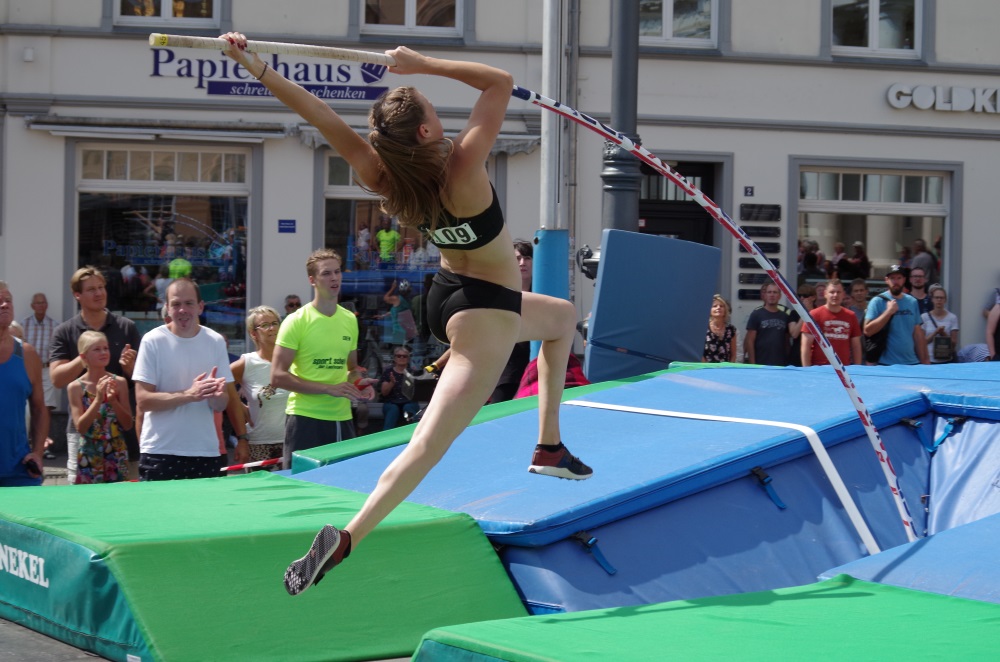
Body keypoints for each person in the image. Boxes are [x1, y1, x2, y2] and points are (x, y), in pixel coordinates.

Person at [221, 33, 588, 595]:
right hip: (484, 312)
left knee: (560, 318)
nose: (443, 118)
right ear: (423, 131)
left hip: (445, 296)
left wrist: (258, 69)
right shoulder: (462, 165)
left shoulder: (384, 176)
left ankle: (549, 445)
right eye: (435, 113)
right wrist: (424, 64)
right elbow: (499, 82)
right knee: (427, 445)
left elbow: (319, 117)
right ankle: (348, 537)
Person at [271, 248, 377, 469]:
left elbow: (351, 369)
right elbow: (277, 376)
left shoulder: (349, 319)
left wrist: (359, 384)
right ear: (312, 280)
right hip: (305, 418)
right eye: (326, 273)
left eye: (337, 272)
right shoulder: (296, 321)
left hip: (341, 418)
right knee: (301, 490)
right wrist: (327, 388)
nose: (334, 278)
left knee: (342, 487)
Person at [132, 278, 233, 480]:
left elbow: (222, 404)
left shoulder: (215, 341)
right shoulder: (153, 341)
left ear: (200, 307)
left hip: (205, 451)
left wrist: (216, 395)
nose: (182, 310)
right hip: (160, 451)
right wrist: (189, 395)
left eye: (189, 303)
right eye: (176, 304)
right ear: (167, 308)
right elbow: (143, 400)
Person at [50, 266, 141, 483]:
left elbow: (140, 378)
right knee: (83, 496)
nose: (99, 293)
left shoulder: (126, 327)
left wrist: (129, 368)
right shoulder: (65, 331)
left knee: (126, 496)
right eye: (91, 289)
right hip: (82, 433)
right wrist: (85, 355)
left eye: (101, 287)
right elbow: (57, 379)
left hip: (121, 431)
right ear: (77, 295)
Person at [226, 306, 290, 470]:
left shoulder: (294, 360)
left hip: (292, 442)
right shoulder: (247, 363)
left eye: (275, 323)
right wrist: (240, 407)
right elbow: (222, 385)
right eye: (265, 325)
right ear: (253, 333)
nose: (272, 328)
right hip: (258, 444)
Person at [66, 331, 133, 483]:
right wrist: (97, 400)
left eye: (106, 348)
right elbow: (81, 427)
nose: (104, 352)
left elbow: (128, 424)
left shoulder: (119, 382)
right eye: (97, 349)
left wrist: (113, 401)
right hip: (89, 451)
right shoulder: (75, 387)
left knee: (117, 499)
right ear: (84, 357)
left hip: (116, 450)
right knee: (89, 500)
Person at [0, 281, 48, 487]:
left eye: (8, 300)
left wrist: (37, 452)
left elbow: (39, 409)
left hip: (19, 471)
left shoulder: (27, 354)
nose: (5, 305)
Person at [863, 265, 929, 366]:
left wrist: (925, 361)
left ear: (904, 280)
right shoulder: (877, 301)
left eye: (899, 278)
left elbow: (917, 334)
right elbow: (867, 331)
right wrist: (888, 312)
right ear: (886, 280)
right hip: (886, 364)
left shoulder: (912, 302)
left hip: (911, 363)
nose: (895, 281)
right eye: (892, 278)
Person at [801, 279, 862, 367]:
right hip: (819, 370)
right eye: (832, 292)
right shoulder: (814, 315)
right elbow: (806, 346)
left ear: (843, 294)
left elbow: (856, 346)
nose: (835, 295)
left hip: (844, 370)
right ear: (825, 293)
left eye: (838, 292)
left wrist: (857, 369)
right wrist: (807, 370)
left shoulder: (851, 316)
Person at [22, 292, 59, 413]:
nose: (41, 305)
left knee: (46, 405)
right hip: (28, 369)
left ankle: (44, 432)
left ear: (47, 305)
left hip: (46, 369)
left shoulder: (55, 326)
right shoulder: (23, 325)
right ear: (32, 306)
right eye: (38, 303)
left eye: (43, 303)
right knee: (28, 403)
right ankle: (29, 432)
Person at [744, 282, 792, 366]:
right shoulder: (756, 314)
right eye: (769, 292)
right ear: (765, 295)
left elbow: (787, 342)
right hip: (761, 363)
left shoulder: (785, 316)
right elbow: (749, 341)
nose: (772, 295)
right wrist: (752, 364)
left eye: (775, 292)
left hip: (780, 364)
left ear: (779, 296)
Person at [378, 346, 421, 429]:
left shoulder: (413, 372)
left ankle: (414, 433)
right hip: (391, 402)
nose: (401, 358)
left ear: (408, 359)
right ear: (394, 358)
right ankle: (387, 436)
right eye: (398, 356)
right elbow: (384, 393)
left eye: (404, 356)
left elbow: (419, 393)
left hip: (409, 402)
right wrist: (391, 383)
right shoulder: (388, 372)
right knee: (393, 409)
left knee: (408, 407)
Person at [920, 285, 958, 364]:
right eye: (936, 297)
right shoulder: (924, 317)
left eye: (941, 298)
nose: (939, 300)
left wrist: (943, 334)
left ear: (945, 300)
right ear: (932, 299)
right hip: (929, 359)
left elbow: (954, 343)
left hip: (946, 360)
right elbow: (922, 342)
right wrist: (935, 333)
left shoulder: (952, 317)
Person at [787, 283, 819, 367]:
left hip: (815, 355)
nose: (801, 298)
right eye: (799, 296)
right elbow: (794, 334)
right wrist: (804, 313)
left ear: (813, 297)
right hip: (797, 356)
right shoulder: (794, 313)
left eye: (805, 295)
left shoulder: (819, 313)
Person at [702, 294, 737, 363]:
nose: (718, 308)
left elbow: (733, 354)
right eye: (715, 306)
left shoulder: (731, 329)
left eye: (721, 306)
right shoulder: (703, 328)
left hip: (725, 369)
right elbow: (700, 354)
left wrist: (729, 368)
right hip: (708, 369)